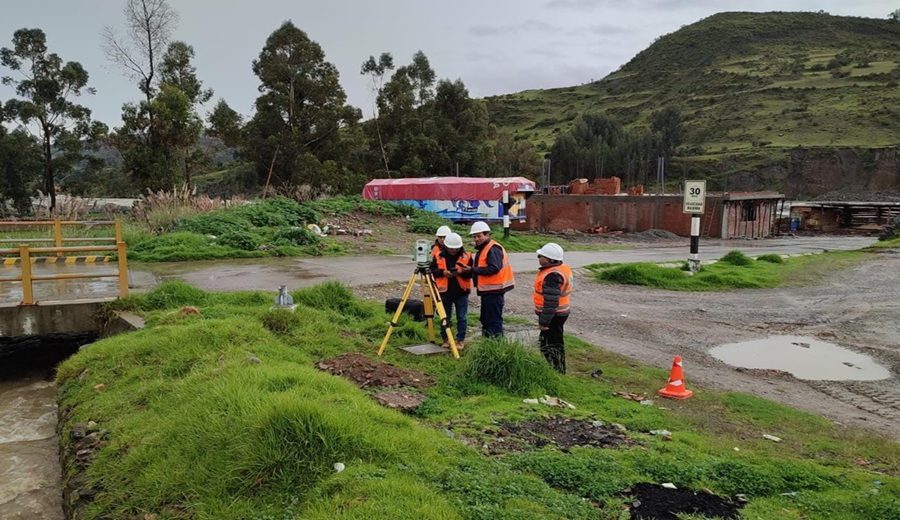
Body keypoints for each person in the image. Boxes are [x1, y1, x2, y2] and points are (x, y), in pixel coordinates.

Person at [458, 221, 514, 338]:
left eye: (479, 236)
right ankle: (488, 340)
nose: (476, 239)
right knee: (486, 318)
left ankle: (495, 343)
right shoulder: (485, 248)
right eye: (474, 236)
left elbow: (493, 268)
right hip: (489, 290)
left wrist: (472, 270)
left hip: (494, 290)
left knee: (493, 320)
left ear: (487, 234)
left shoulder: (492, 249)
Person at [533, 243, 573, 374]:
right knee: (548, 342)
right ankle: (554, 368)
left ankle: (557, 371)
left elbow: (551, 302)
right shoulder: (561, 269)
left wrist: (544, 323)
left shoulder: (553, 276)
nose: (539, 258)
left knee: (552, 344)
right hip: (557, 313)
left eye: (541, 256)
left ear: (550, 259)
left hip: (553, 315)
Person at [429, 232, 471, 349]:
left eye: (455, 248)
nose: (453, 251)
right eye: (451, 248)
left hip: (461, 292)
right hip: (444, 292)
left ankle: (460, 340)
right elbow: (432, 270)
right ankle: (446, 339)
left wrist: (461, 272)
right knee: (445, 317)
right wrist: (443, 273)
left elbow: (471, 273)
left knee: (462, 317)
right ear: (446, 246)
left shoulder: (467, 256)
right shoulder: (438, 256)